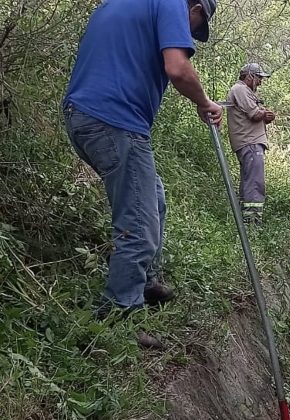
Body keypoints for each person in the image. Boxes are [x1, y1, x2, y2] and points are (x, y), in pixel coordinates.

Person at [62, 0, 223, 317]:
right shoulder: (173, 3)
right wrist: (204, 103)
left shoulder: (121, 5)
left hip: (81, 115)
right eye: (194, 26)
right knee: (139, 223)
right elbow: (178, 68)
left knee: (154, 197)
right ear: (196, 10)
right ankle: (121, 309)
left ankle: (145, 282)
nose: (189, 32)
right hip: (115, 121)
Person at [226, 63, 275, 225]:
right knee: (255, 183)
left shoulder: (245, 91)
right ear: (249, 76)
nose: (260, 81)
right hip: (250, 143)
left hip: (250, 143)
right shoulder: (240, 89)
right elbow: (254, 114)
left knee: (249, 181)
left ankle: (246, 221)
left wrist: (265, 116)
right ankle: (252, 222)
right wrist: (264, 114)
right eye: (258, 77)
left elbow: (255, 116)